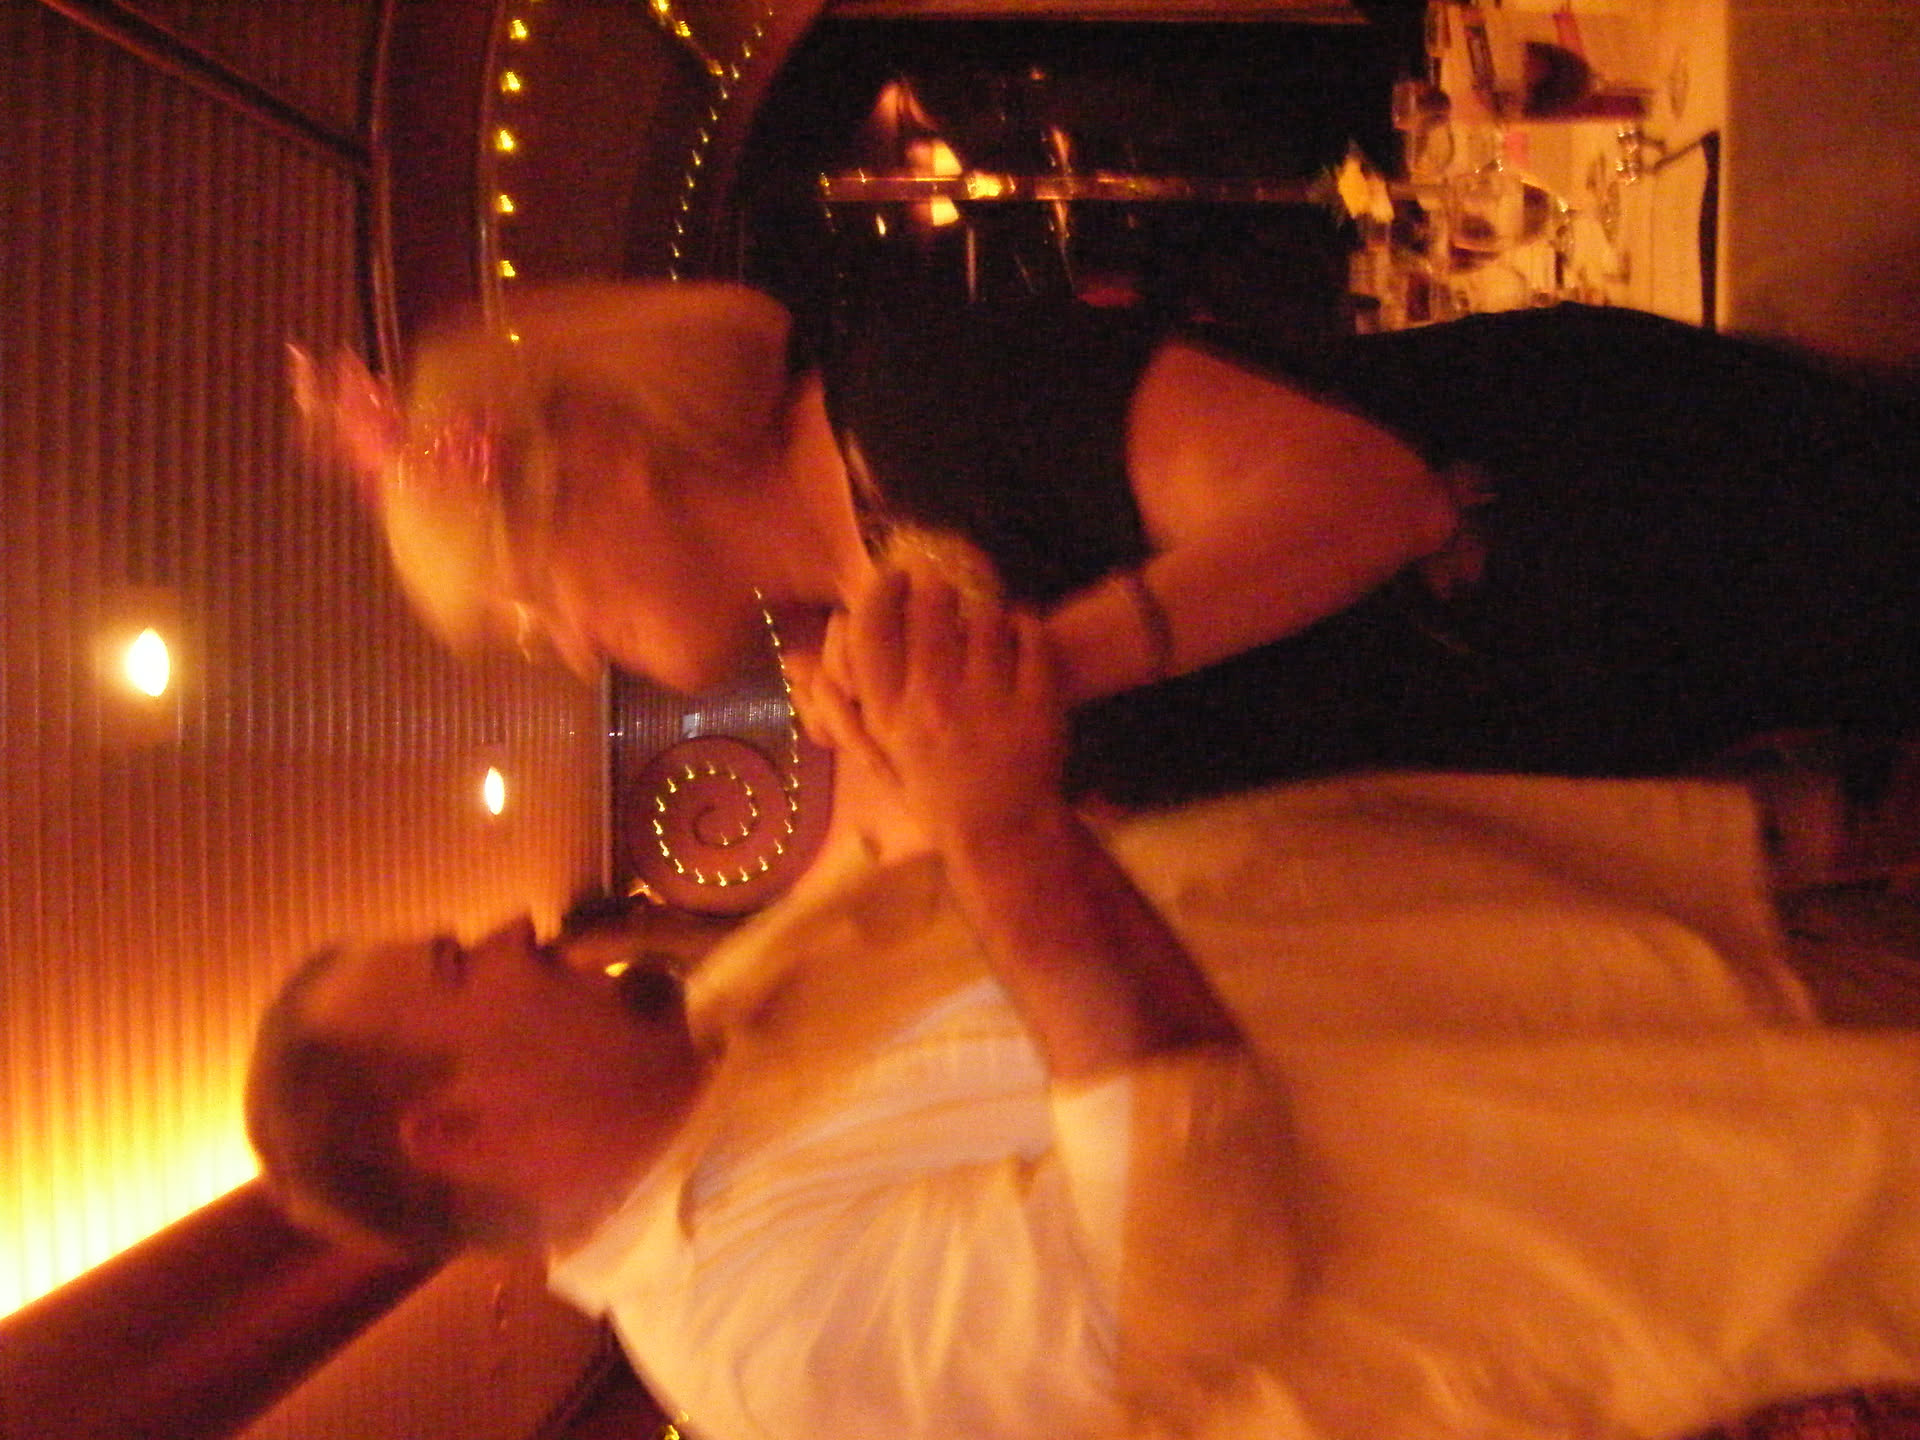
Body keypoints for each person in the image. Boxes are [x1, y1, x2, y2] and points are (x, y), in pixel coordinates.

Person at [249, 568, 1920, 1440]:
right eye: (458, 966)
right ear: (452, 1126)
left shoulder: (736, 1007)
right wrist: (1001, 830)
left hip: (1638, 936)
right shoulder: (749, 1337)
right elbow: (1186, 1276)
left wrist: (886, 685)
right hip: (1677, 1179)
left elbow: (914, 837)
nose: (515, 928)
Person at [292, 280, 1920, 809]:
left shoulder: (915, 404)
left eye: (533, 601)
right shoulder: (861, 604)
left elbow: (1374, 499)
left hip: (1651, 503)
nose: (568, 648)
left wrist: (1034, 675)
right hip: (1622, 658)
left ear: (609, 459)